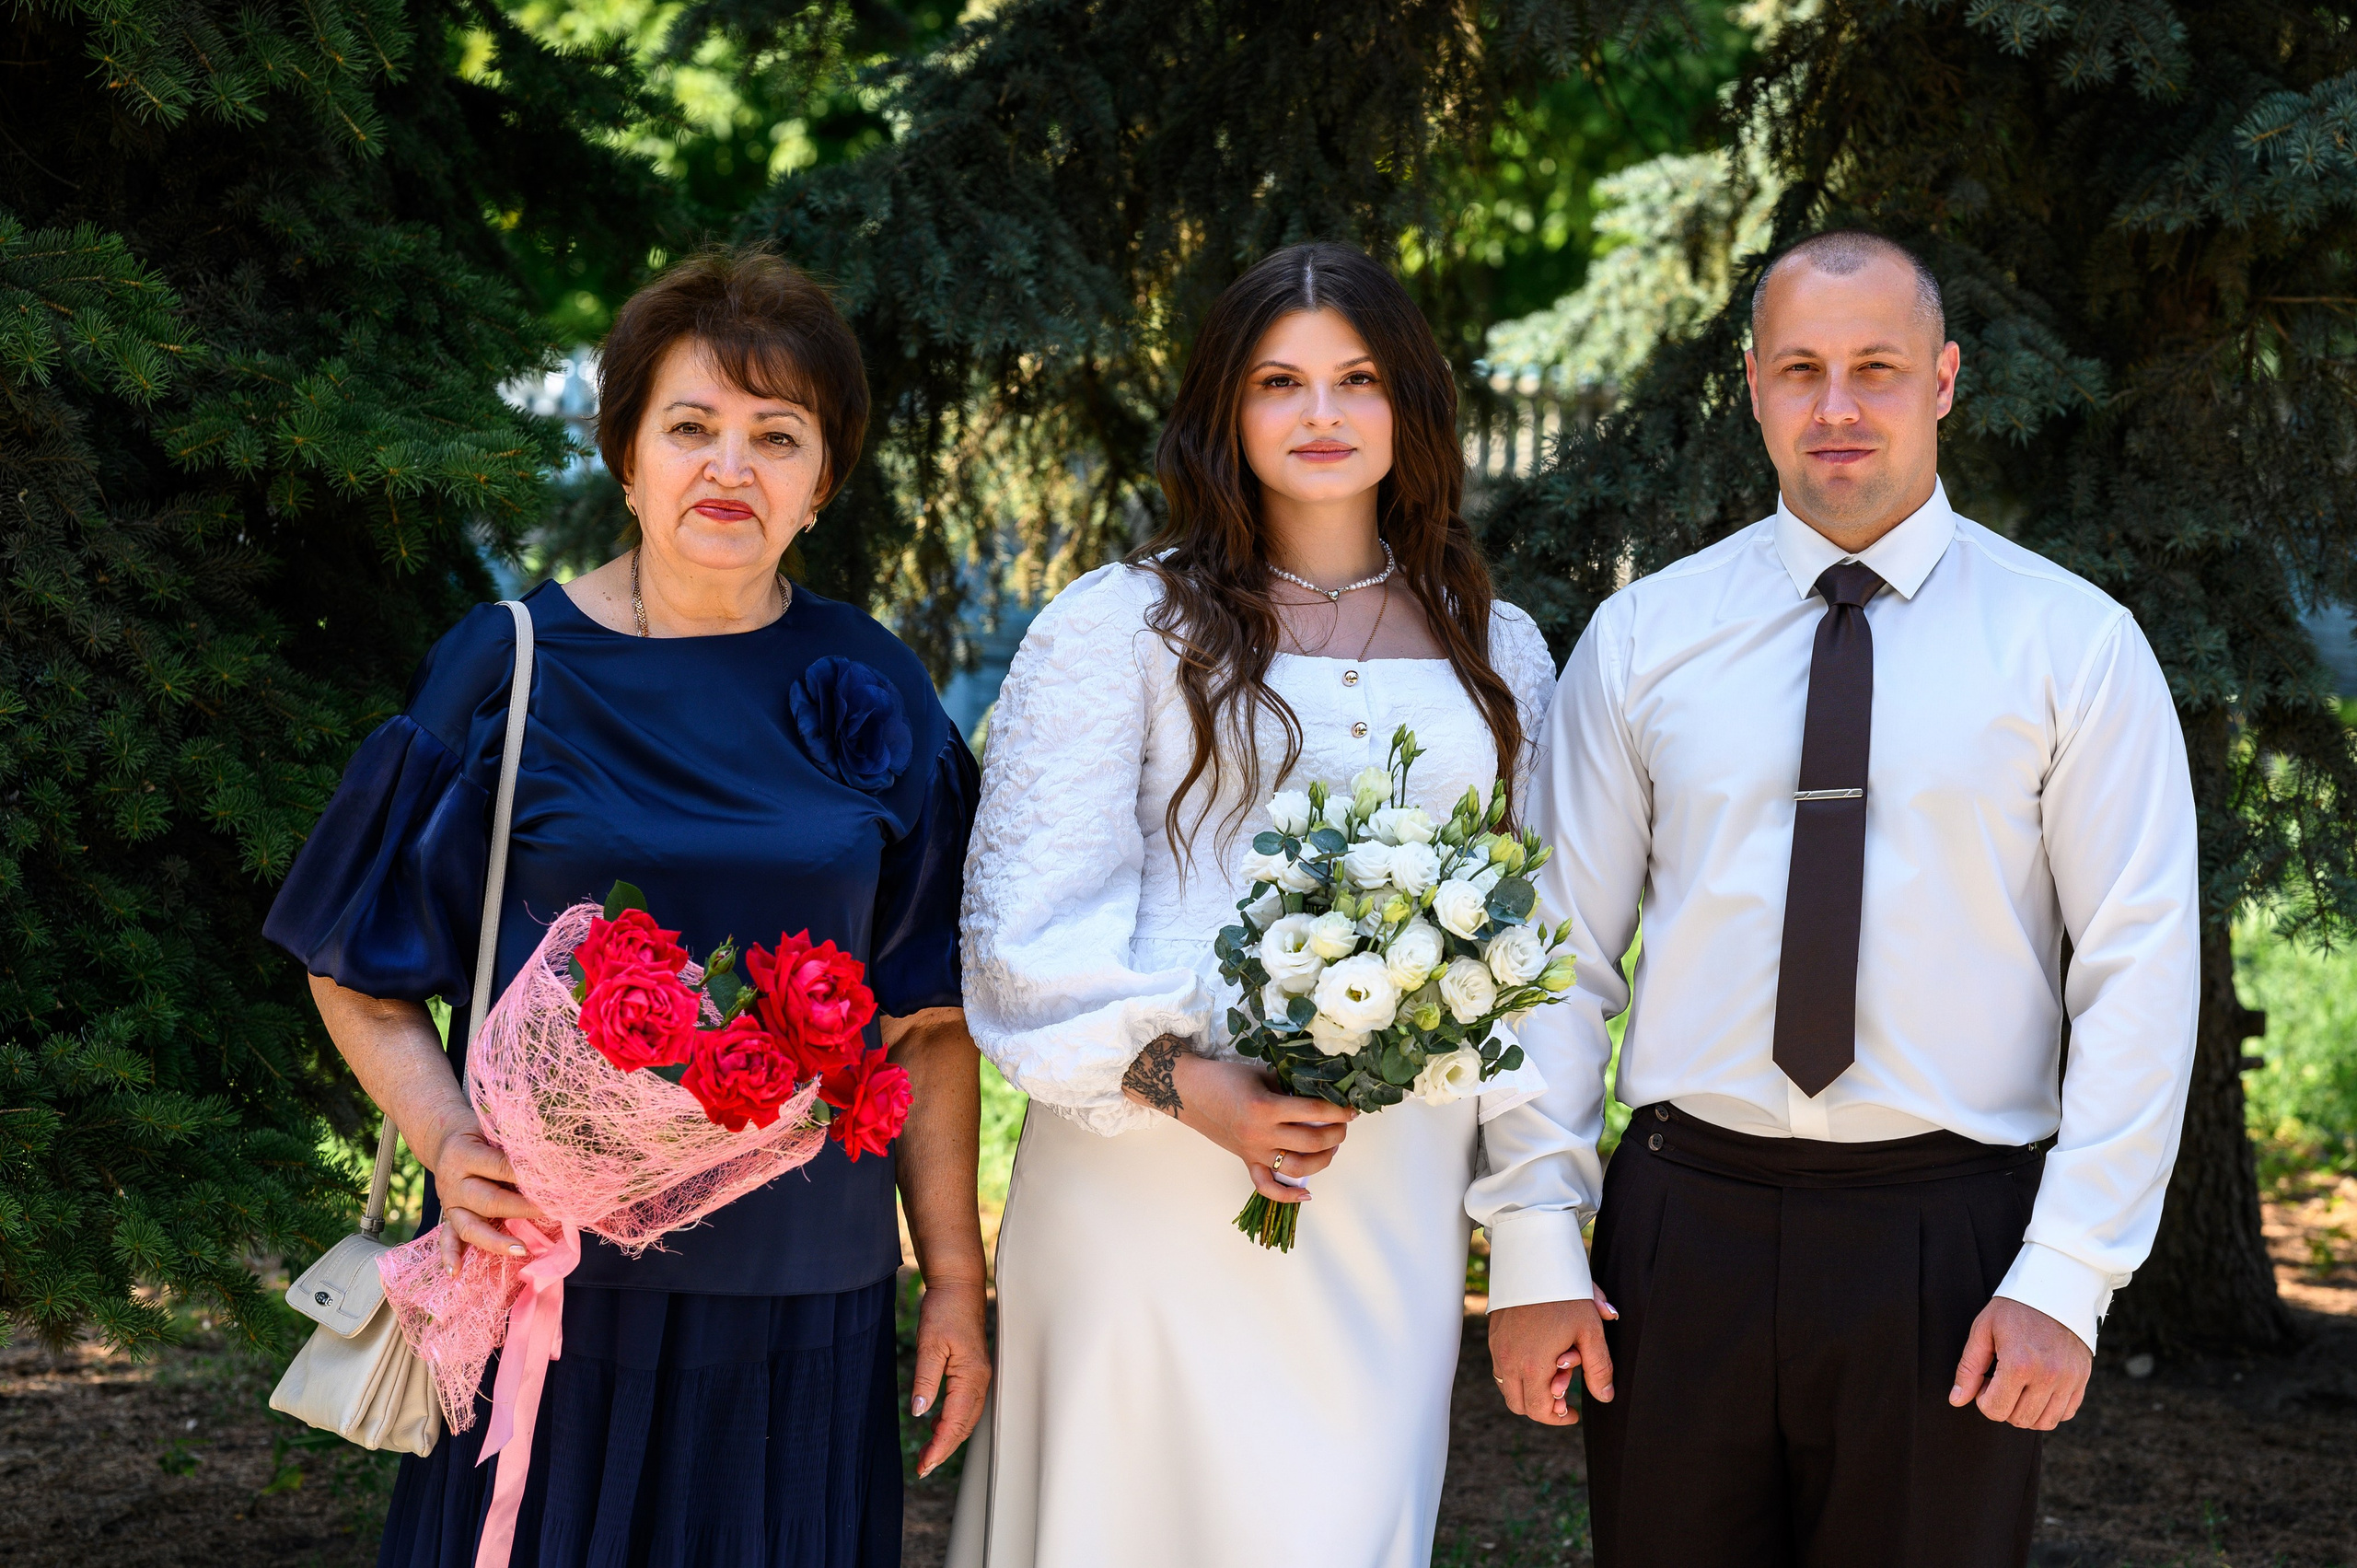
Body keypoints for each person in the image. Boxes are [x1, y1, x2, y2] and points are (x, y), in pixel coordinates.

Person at [264, 247, 990, 1568]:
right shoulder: (511, 665)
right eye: (693, 426)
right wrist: (442, 1138)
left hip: (800, 1298)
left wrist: (954, 1282)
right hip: (553, 1281)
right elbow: (349, 961)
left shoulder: (874, 678)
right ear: (627, 454)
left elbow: (928, 1024)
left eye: (778, 437)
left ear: (822, 482)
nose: (732, 468)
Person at [1507, 228, 2201, 1567]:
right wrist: (1537, 1244)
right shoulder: (1645, 637)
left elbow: (2139, 966)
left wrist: (2067, 1276)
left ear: (1944, 381)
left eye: (1877, 367)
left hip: (1949, 1243)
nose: (1838, 406)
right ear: (1754, 385)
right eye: (1803, 369)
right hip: (1680, 1226)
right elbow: (1559, 956)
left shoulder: (2072, 645)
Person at [949, 241, 1599, 1568]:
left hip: (1389, 1179)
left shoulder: (1501, 644)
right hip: (1149, 1169)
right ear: (1224, 413)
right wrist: (1196, 1088)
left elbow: (1540, 945)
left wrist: (1533, 1210)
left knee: (1338, 1519)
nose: (1319, 416)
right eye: (1277, 384)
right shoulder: (1119, 625)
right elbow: (1021, 929)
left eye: (1356, 380)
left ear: (1409, 406)